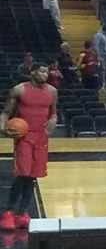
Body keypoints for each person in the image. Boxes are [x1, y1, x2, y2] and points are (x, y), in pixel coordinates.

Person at [2, 60, 57, 228]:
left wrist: (54, 120)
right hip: (24, 137)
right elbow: (5, 112)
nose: (45, 75)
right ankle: (8, 212)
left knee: (33, 176)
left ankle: (22, 213)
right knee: (23, 174)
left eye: (47, 73)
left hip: (41, 137)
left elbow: (53, 113)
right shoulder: (19, 89)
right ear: (32, 72)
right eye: (41, 72)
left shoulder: (52, 91)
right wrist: (3, 128)